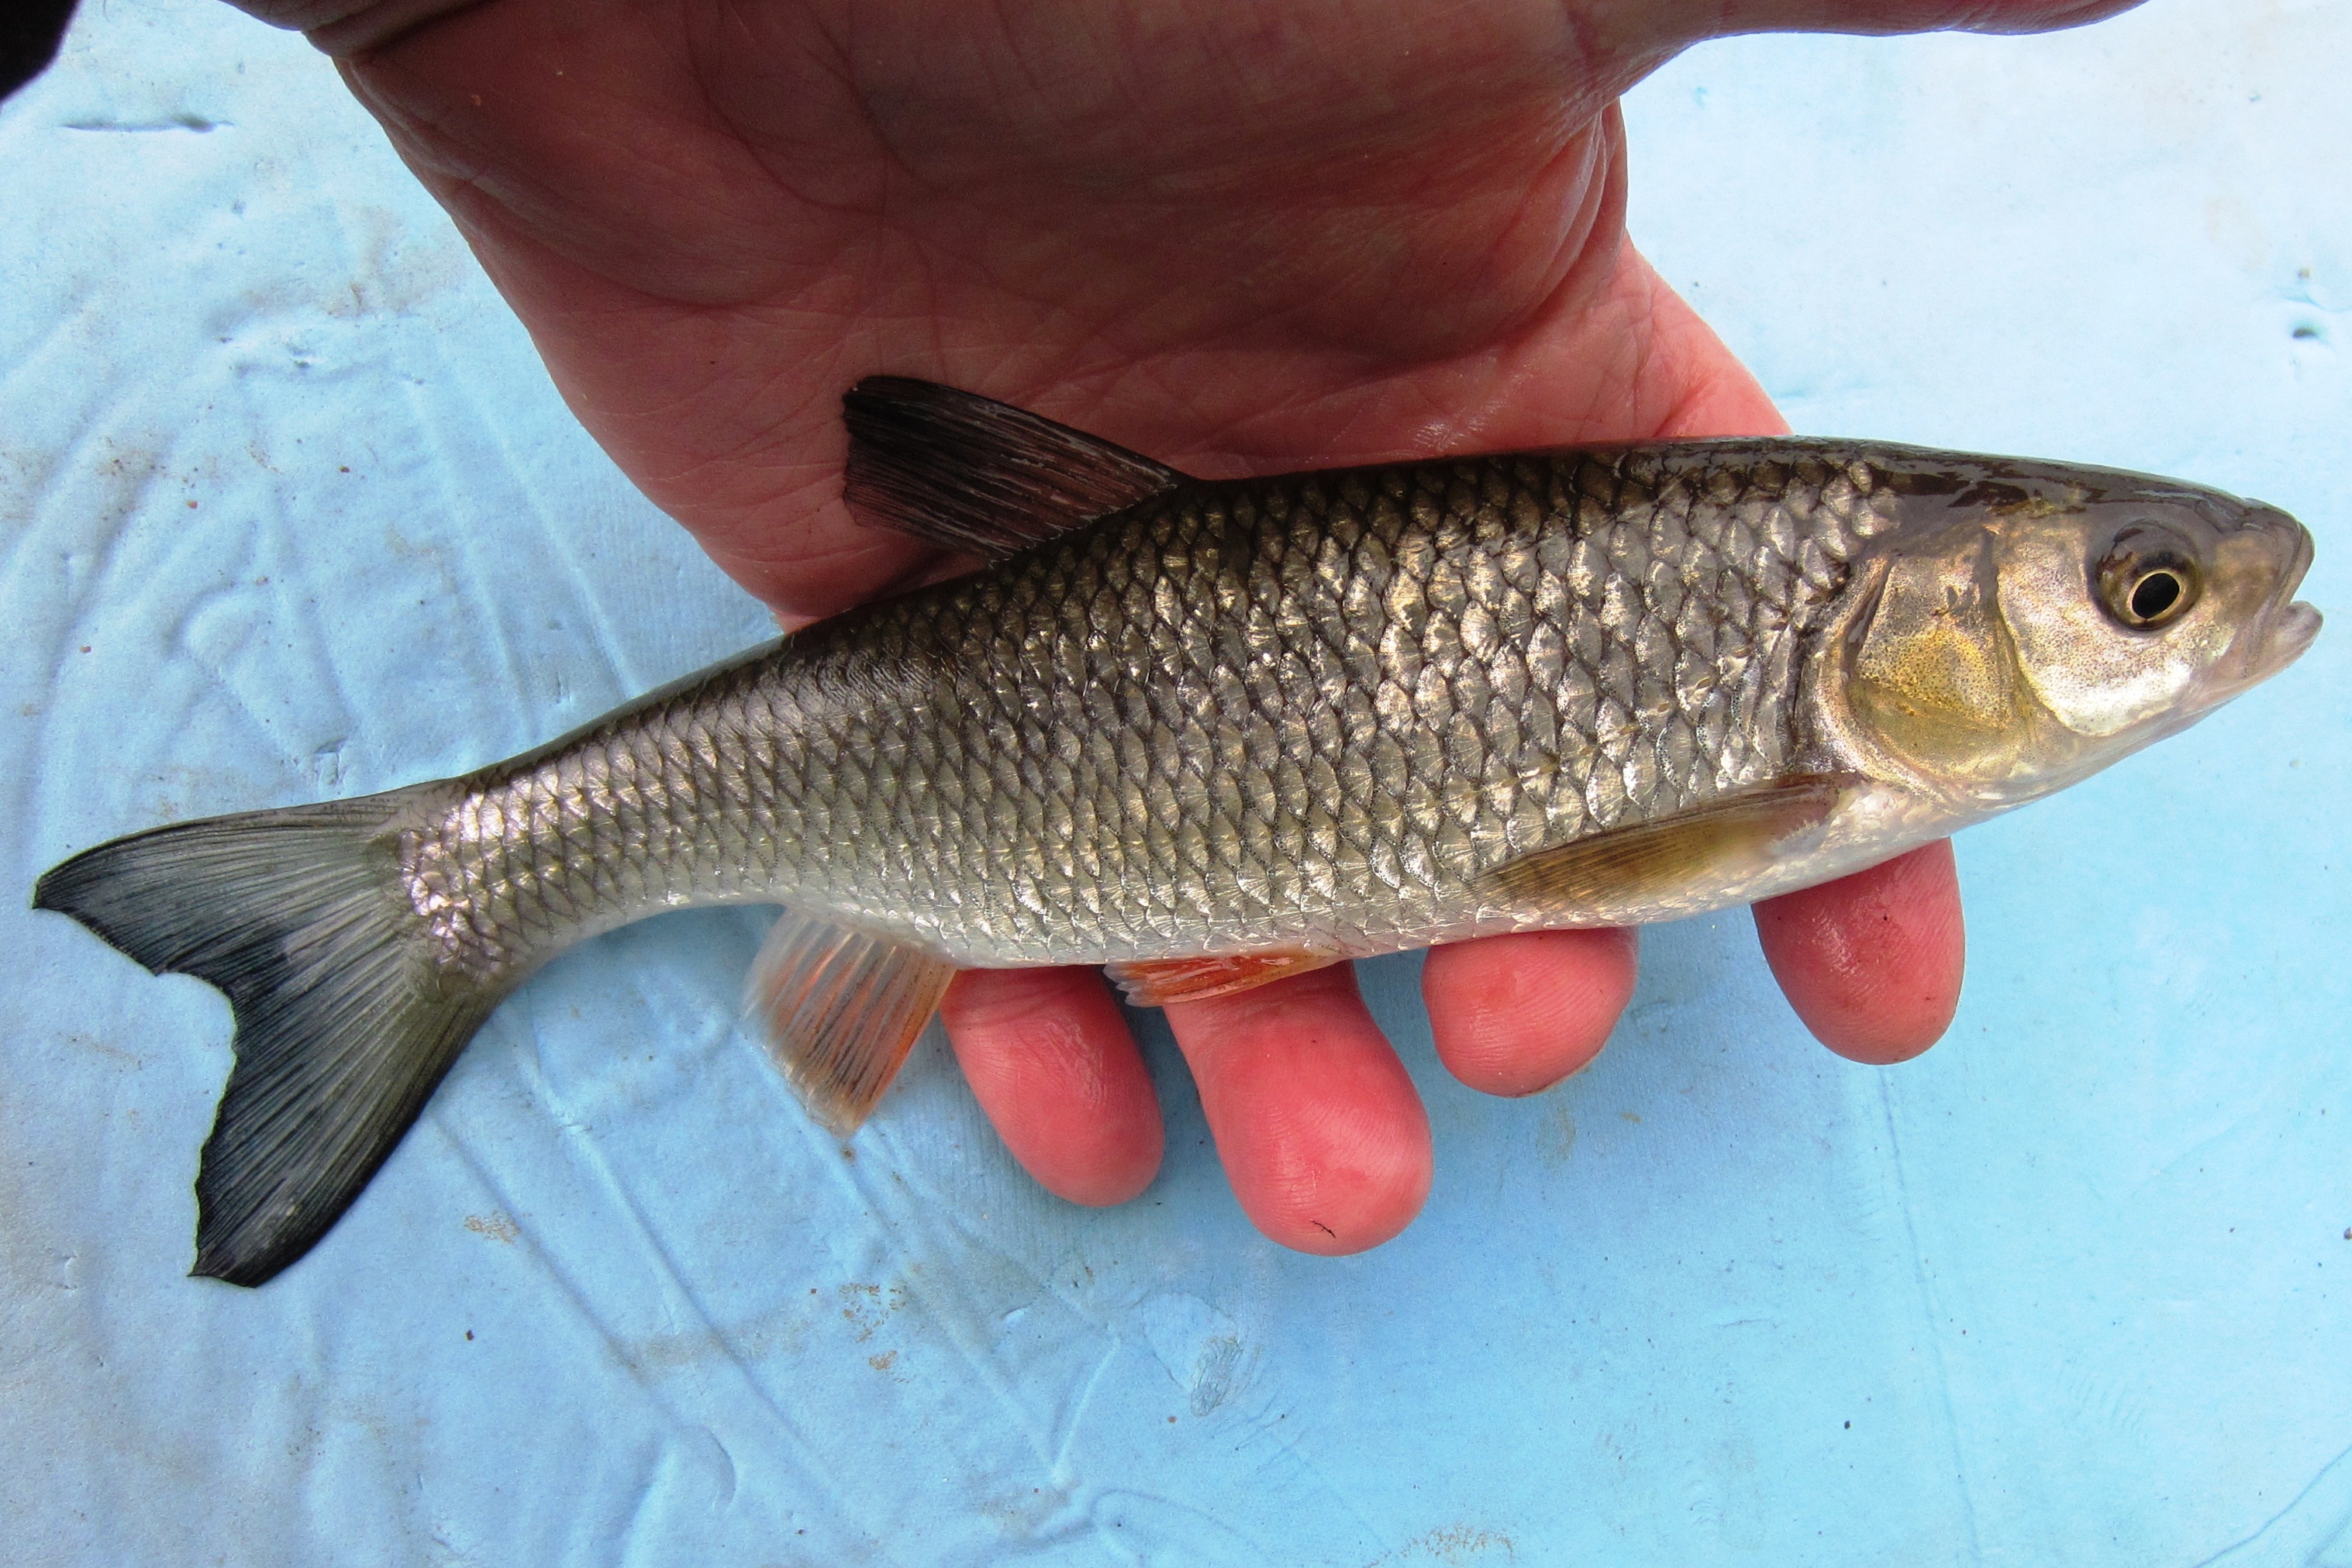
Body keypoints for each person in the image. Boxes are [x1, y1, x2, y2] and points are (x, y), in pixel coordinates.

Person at [84, 0, 2143, 1253]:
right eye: (2142, 599)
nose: (2173, 631)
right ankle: (423, 897)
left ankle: (442, 895)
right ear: (1908, 623)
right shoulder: (1797, 725)